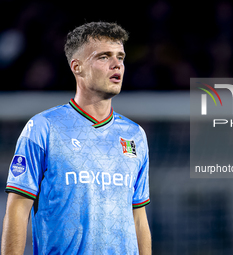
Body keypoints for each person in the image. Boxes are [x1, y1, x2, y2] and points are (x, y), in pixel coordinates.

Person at [1, 22, 151, 255]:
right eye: (104, 57)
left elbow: (139, 217)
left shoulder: (134, 135)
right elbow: (18, 209)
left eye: (120, 57)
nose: (117, 65)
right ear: (77, 67)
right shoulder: (43, 128)